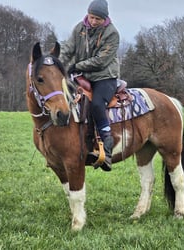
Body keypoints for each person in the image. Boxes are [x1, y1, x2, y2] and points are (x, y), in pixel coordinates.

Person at [59, 0, 120, 171]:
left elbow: (101, 61)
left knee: (97, 105)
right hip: (82, 75)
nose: (93, 22)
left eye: (98, 19)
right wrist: (58, 64)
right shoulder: (79, 29)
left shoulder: (112, 33)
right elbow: (67, 49)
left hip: (104, 77)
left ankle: (106, 146)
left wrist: (77, 66)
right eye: (92, 17)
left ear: (105, 19)